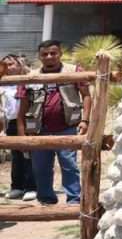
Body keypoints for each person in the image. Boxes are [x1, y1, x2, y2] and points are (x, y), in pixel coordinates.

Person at [16, 40, 91, 206]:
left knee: (69, 166)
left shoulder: (74, 71)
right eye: (45, 54)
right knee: (41, 168)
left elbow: (86, 95)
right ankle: (46, 200)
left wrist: (85, 120)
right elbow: (22, 109)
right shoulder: (30, 77)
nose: (49, 57)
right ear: (40, 56)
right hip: (38, 131)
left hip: (67, 128)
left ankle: (74, 200)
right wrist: (22, 137)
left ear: (60, 54)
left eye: (53, 53)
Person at [2, 55, 37, 201]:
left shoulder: (29, 80)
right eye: (6, 65)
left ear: (19, 64)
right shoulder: (3, 82)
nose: (9, 67)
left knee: (29, 155)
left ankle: (31, 187)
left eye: (12, 64)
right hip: (11, 122)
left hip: (28, 121)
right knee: (16, 156)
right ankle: (17, 187)